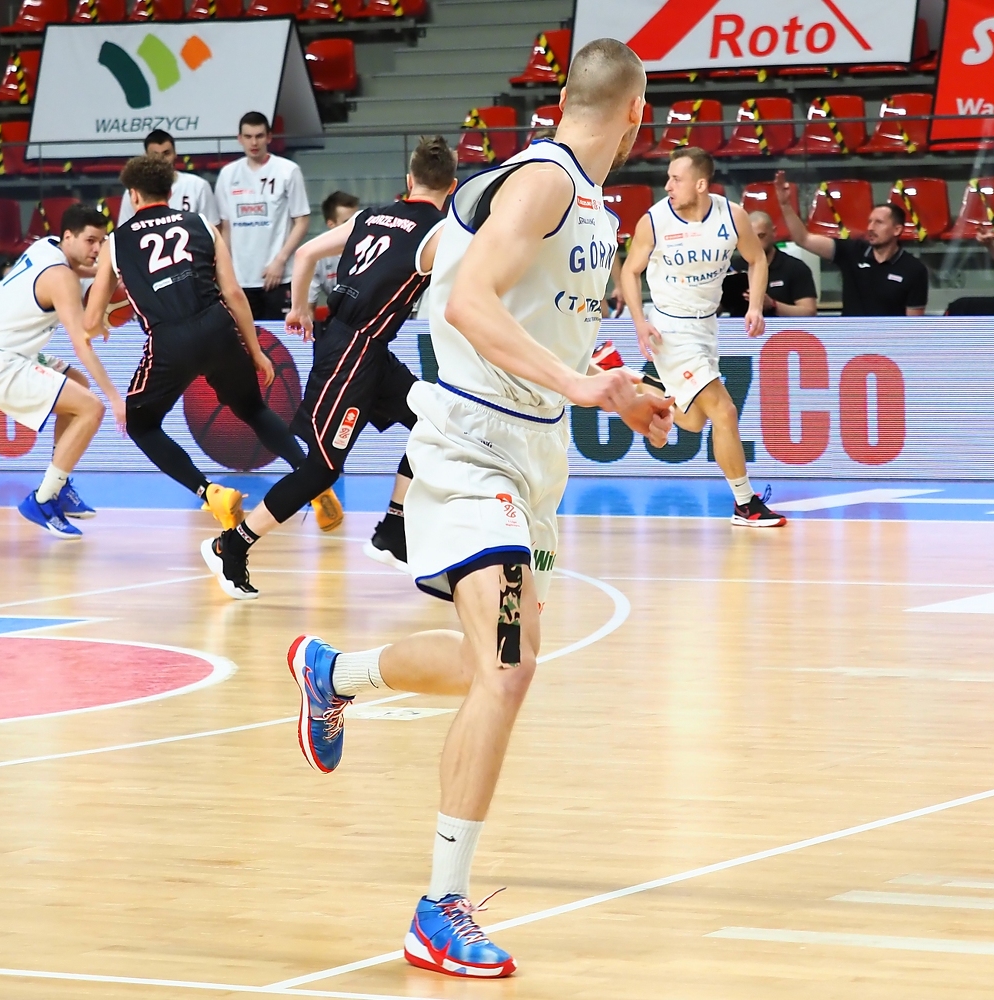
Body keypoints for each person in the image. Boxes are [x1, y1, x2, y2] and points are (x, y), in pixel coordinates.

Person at [285, 38, 672, 978]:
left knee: (491, 662)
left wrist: (609, 390)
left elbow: (506, 303)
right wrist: (578, 387)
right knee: (506, 670)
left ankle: (335, 673)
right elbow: (466, 302)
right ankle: (438, 908)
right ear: (637, 110)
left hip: (533, 457)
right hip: (472, 451)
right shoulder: (542, 181)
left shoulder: (574, 196)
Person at [201, 139, 456, 600]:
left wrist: (299, 307)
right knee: (320, 471)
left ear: (409, 180)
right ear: (452, 186)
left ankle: (393, 531)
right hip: (351, 355)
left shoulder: (371, 216)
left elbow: (304, 255)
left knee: (436, 425)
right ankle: (231, 545)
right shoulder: (439, 234)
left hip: (364, 348)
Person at [84, 155, 332, 538]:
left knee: (140, 423)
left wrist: (106, 317)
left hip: (169, 340)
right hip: (217, 327)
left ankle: (211, 493)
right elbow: (233, 292)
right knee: (253, 409)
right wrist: (255, 351)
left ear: (133, 195)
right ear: (170, 192)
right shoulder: (201, 223)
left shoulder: (116, 242)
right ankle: (312, 478)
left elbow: (90, 320)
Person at [618, 147, 784, 527]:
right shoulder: (655, 221)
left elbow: (757, 259)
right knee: (724, 411)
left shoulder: (732, 215)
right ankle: (745, 503)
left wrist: (755, 307)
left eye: (676, 179)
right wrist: (639, 322)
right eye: (668, 178)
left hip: (707, 326)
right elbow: (630, 272)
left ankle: (631, 379)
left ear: (701, 184)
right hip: (670, 329)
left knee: (693, 421)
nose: (668, 186)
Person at [0, 204, 123, 538]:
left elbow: (84, 270)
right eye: (91, 241)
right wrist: (114, 398)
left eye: (101, 242)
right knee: (92, 409)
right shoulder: (61, 277)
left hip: (5, 348)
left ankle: (59, 486)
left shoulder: (48, 245)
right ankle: (42, 499)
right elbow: (82, 344)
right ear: (69, 237)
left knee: (77, 383)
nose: (97, 249)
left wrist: (107, 271)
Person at [774, 171, 928, 318]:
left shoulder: (914, 270)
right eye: (870, 221)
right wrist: (785, 205)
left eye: (879, 222)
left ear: (897, 230)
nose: (870, 227)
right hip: (851, 335)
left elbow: (912, 324)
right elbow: (803, 239)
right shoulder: (853, 252)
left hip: (890, 336)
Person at [214, 111, 310, 321]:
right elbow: (226, 227)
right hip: (240, 279)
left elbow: (302, 221)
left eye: (259, 136)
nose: (254, 142)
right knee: (244, 338)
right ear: (240, 139)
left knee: (281, 338)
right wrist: (226, 271)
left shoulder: (288, 171)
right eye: (248, 136)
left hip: (278, 276)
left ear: (269, 137)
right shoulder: (228, 174)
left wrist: (280, 260)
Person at [720, 211, 818, 318]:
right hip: (738, 327)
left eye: (761, 236)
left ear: (773, 232)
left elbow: (809, 312)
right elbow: (714, 311)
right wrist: (722, 294)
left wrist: (773, 305)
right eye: (751, 237)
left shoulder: (795, 268)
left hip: (780, 327)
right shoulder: (733, 267)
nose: (756, 242)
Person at [117, 129, 219, 228]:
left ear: (175, 154)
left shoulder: (198, 186)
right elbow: (124, 231)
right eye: (155, 155)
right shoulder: (135, 191)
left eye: (166, 154)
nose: (161, 159)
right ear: (146, 156)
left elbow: (212, 229)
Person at [309, 191, 360, 313]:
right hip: (339, 317)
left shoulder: (375, 245)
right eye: (347, 222)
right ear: (331, 224)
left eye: (357, 220)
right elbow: (307, 308)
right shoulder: (316, 255)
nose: (355, 226)